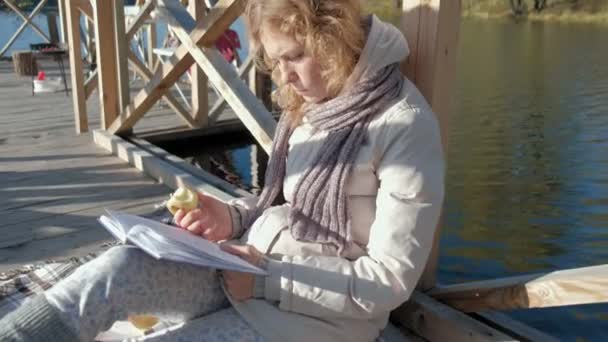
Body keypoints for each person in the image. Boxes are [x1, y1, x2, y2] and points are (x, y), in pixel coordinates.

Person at [0, 0, 444, 341]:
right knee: (118, 268)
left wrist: (269, 278)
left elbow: (389, 281)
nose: (283, 77)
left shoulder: (404, 124)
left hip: (319, 319)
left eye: (294, 57)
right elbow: (282, 206)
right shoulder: (315, 103)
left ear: (333, 38)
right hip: (249, 266)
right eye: (275, 61)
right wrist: (230, 217)